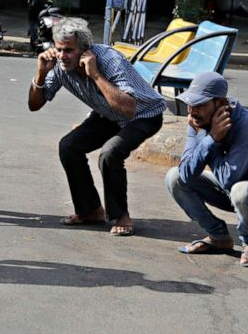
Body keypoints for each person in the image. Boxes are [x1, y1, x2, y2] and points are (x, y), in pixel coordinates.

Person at [28, 18, 166, 236]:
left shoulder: (110, 60)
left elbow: (129, 109)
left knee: (110, 153)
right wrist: (41, 74)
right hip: (107, 114)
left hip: (144, 115)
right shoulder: (61, 65)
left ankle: (121, 215)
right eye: (59, 49)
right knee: (69, 146)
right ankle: (90, 210)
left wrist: (95, 75)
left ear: (85, 50)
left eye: (69, 51)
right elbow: (34, 105)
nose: (63, 56)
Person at [166, 72, 248, 267]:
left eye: (200, 105)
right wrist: (209, 138)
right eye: (190, 104)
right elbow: (186, 175)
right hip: (230, 192)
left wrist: (212, 140)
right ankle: (218, 237)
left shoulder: (246, 124)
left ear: (220, 103)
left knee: (242, 190)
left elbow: (227, 180)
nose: (192, 111)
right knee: (174, 177)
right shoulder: (198, 122)